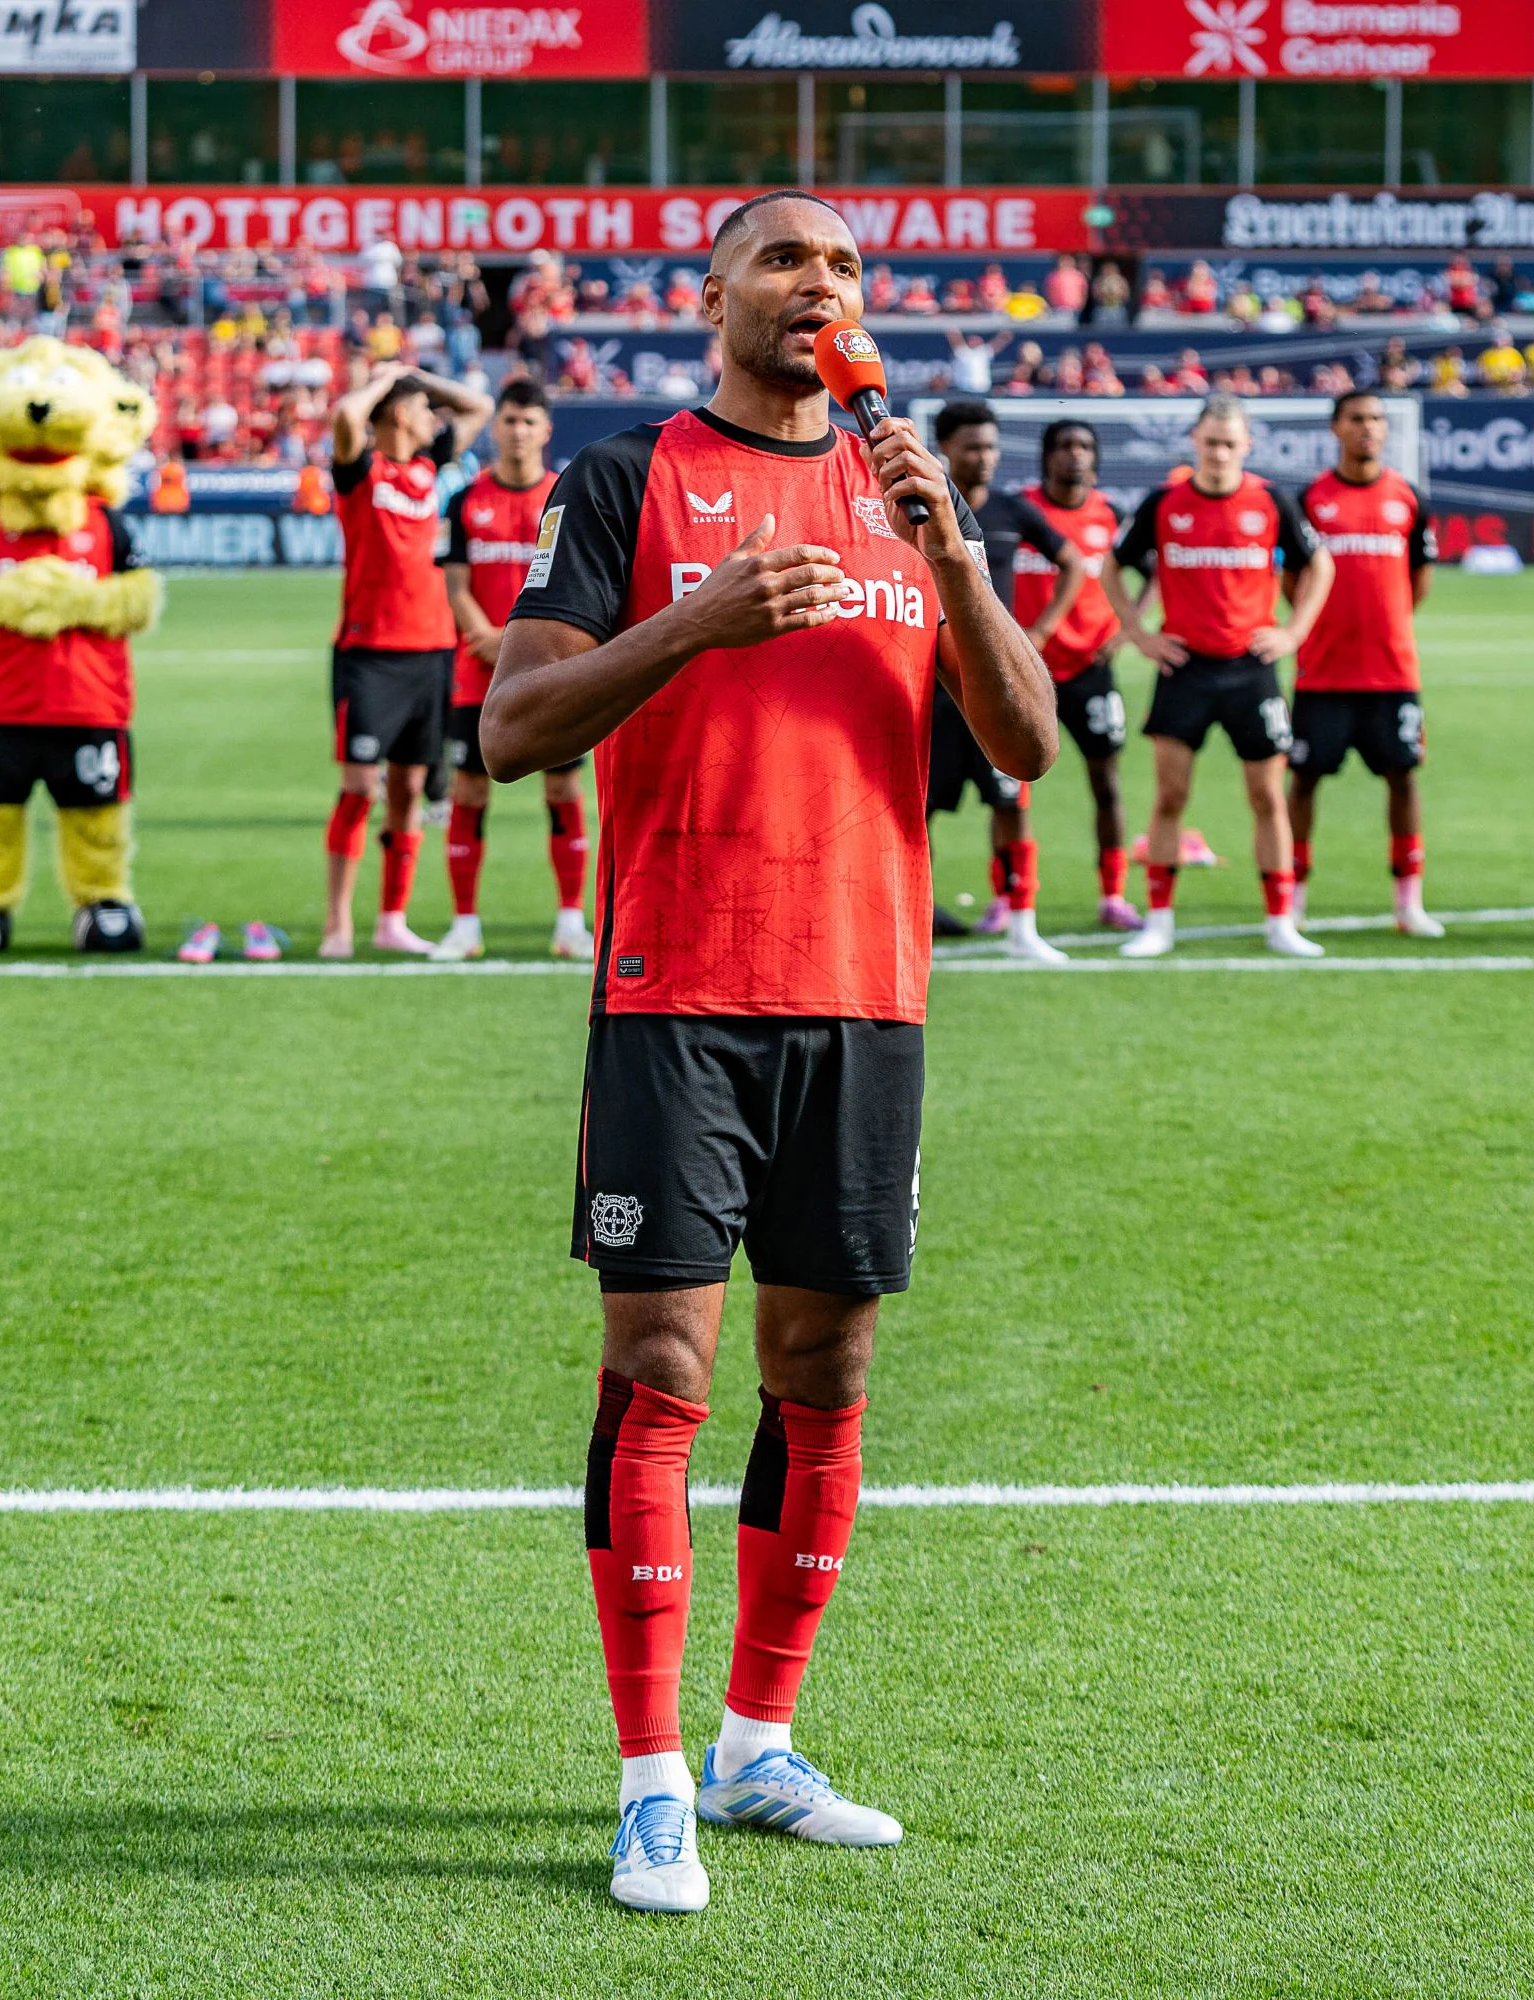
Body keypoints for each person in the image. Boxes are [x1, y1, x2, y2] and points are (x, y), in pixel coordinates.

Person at [479, 189, 1054, 1917]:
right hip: (679, 988)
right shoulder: (623, 480)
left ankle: (758, 1744)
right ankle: (651, 1778)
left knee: (827, 1370)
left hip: (869, 994)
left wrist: (955, 560)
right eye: (788, 258)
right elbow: (513, 729)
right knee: (661, 1363)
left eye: (848, 265)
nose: (824, 284)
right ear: (714, 291)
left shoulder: (910, 495)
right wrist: (695, 624)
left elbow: (1023, 742)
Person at [1103, 394, 1331, 958]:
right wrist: (1138, 633)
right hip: (1184, 669)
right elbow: (1111, 565)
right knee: (1170, 795)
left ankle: (1280, 922)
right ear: (1195, 442)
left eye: (1230, 444)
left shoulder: (1270, 501)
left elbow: (1320, 563)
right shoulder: (1164, 503)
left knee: (1268, 797)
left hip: (1252, 670)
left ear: (1246, 445)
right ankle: (1159, 922)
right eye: (1211, 443)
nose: (1220, 453)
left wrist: (1294, 632)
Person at [322, 361, 492, 958]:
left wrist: (418, 376)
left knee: (409, 788)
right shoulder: (360, 471)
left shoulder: (430, 467)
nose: (433, 418)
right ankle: (338, 924)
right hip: (369, 654)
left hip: (432, 650)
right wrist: (388, 380)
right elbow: (346, 415)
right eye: (423, 409)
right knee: (358, 788)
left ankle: (391, 919)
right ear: (399, 414)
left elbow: (478, 407)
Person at [436, 375, 594, 962]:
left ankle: (571, 922)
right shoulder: (464, 499)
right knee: (469, 790)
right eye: (509, 420)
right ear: (495, 427)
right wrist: (485, 637)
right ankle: (464, 925)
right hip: (475, 672)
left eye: (529, 421)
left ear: (545, 430)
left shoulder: (567, 497)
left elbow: (578, 584)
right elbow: (455, 583)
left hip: (550, 668)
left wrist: (507, 639)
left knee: (562, 787)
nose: (518, 431)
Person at [932, 398, 1089, 964]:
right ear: (945, 448)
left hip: (992, 684)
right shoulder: (919, 507)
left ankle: (1022, 921)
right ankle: (917, 912)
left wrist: (1039, 631)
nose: (985, 457)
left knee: (1011, 802)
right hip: (932, 685)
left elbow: (1074, 562)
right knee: (916, 806)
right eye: (973, 447)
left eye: (992, 447)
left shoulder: (1010, 510)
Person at [1288, 388, 1439, 937]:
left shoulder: (1409, 498)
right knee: (1304, 781)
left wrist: (1387, 620)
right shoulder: (1310, 499)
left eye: (1376, 418)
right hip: (1323, 671)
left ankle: (1408, 901)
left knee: (1403, 777)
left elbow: (1419, 578)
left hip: (1392, 671)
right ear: (1336, 428)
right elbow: (1293, 580)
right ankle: (1292, 896)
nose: (1368, 427)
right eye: (1356, 418)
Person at [1019, 420, 1140, 929]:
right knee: (1012, 791)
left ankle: (1114, 895)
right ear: (1047, 456)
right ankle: (1012, 896)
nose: (1075, 455)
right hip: (1025, 669)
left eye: (1085, 446)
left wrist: (1130, 628)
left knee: (1106, 782)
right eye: (1065, 446)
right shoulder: (1022, 511)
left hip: (1091, 668)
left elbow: (1153, 570)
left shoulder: (1112, 515)